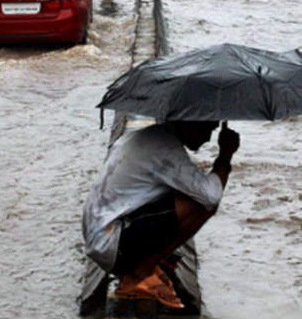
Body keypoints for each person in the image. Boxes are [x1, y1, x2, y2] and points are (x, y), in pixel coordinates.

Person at [82, 121, 240, 309]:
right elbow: (211, 196)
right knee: (201, 204)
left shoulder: (149, 137)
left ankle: (143, 266)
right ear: (187, 123)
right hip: (111, 245)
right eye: (205, 129)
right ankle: (140, 273)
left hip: (102, 235)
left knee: (188, 192)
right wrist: (225, 156)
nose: (207, 138)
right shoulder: (165, 148)